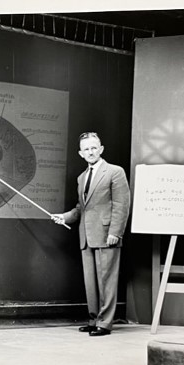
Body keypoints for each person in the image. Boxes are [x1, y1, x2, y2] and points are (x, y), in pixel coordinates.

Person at [52, 132, 130, 336]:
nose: (90, 152)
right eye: (86, 149)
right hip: (86, 236)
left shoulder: (115, 172)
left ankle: (105, 323)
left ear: (101, 149)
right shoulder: (82, 177)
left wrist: (116, 232)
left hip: (106, 235)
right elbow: (81, 208)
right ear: (80, 153)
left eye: (94, 148)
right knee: (91, 283)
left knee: (107, 282)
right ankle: (94, 319)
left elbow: (122, 206)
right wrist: (65, 217)